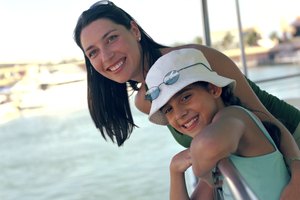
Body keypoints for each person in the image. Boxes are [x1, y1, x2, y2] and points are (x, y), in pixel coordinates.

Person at [73, 1, 300, 198]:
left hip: (291, 141)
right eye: (92, 52)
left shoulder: (193, 61)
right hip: (253, 170)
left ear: (134, 30)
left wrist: (297, 180)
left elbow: (267, 120)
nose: (106, 56)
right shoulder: (145, 101)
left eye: (111, 38)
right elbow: (203, 140)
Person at [145, 48, 290, 199]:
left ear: (214, 89)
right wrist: (175, 171)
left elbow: (208, 146)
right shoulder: (212, 156)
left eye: (186, 97)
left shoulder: (235, 116)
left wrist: (202, 171)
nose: (179, 114)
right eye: (168, 109)